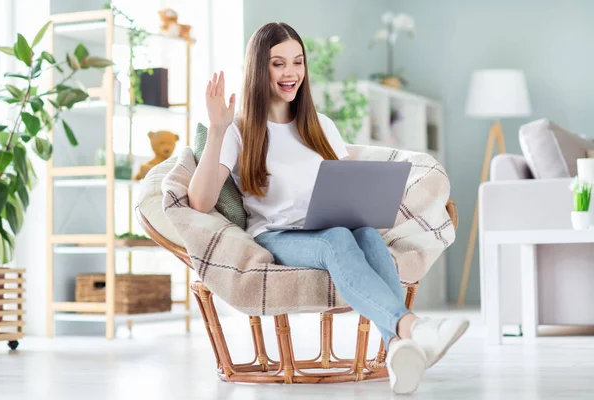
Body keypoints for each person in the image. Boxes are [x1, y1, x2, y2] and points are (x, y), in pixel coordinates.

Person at [188, 22, 468, 394]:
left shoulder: (320, 126)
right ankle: (412, 327)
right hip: (276, 235)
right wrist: (218, 128)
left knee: (365, 232)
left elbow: (343, 182)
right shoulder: (239, 130)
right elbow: (200, 201)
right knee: (336, 237)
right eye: (278, 64)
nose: (291, 73)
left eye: (297, 62)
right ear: (259, 68)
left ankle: (398, 350)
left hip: (329, 223)